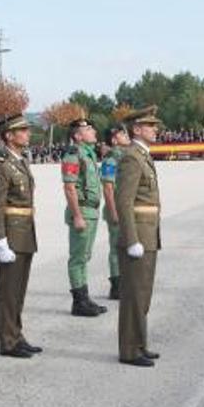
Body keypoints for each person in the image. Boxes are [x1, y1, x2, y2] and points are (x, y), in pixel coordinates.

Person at [0, 114, 40, 358]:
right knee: (8, 290)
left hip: (25, 232)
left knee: (18, 289)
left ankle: (17, 335)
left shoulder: (20, 161)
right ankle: (8, 341)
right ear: (9, 136)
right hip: (12, 234)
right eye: (22, 130)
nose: (27, 134)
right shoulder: (2, 164)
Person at [115, 106, 163, 367]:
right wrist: (132, 239)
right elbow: (124, 202)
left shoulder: (142, 155)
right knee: (134, 294)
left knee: (143, 293)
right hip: (138, 237)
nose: (156, 129)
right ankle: (130, 350)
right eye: (150, 125)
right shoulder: (132, 157)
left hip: (148, 233)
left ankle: (140, 343)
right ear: (136, 129)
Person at [60, 117, 107, 317]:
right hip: (82, 212)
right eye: (88, 129)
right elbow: (69, 187)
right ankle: (79, 302)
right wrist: (77, 216)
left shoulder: (88, 154)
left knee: (85, 256)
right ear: (78, 136)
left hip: (92, 211)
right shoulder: (73, 155)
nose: (93, 131)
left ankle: (85, 298)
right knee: (78, 258)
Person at [99, 125, 129, 301]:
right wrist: (113, 212)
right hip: (116, 209)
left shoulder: (125, 156)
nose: (126, 136)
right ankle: (116, 286)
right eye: (122, 134)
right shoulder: (111, 160)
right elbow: (108, 188)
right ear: (114, 140)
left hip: (125, 208)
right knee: (116, 249)